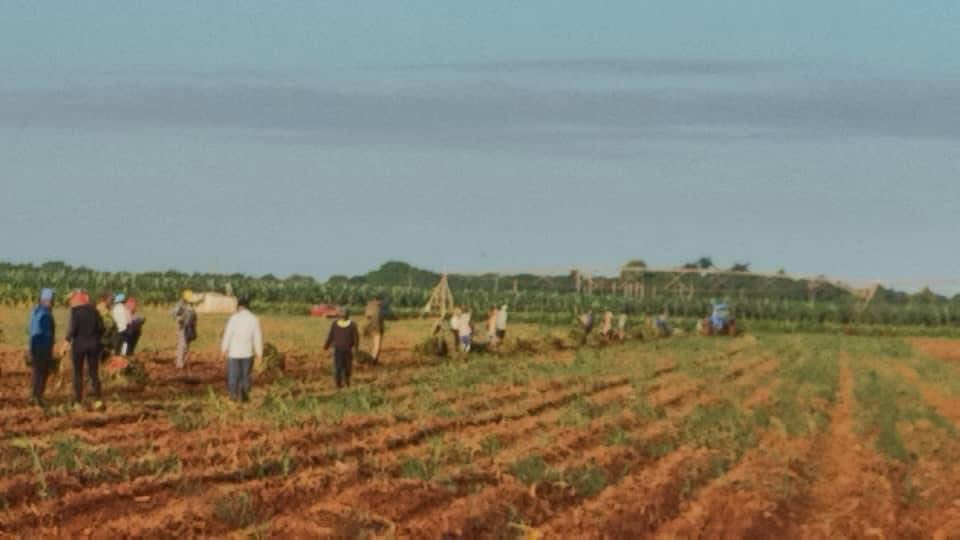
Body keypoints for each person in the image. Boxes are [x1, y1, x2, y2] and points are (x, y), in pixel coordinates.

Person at [64, 290, 105, 410]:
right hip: (93, 345)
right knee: (94, 373)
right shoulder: (94, 311)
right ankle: (97, 400)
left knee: (78, 373)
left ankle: (78, 402)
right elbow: (101, 328)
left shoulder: (75, 312)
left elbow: (72, 329)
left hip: (79, 346)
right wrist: (96, 338)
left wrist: (66, 343)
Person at [220, 296, 263, 402]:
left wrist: (224, 349)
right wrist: (259, 353)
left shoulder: (233, 318)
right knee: (245, 376)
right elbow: (257, 337)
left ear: (239, 306)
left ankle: (233, 396)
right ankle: (245, 397)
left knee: (233, 376)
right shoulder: (254, 319)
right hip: (247, 353)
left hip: (234, 353)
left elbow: (227, 335)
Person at [28, 288, 56, 406]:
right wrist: (50, 349)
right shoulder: (45, 314)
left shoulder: (35, 311)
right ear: (46, 300)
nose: (53, 302)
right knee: (42, 373)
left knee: (37, 372)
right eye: (52, 299)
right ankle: (38, 398)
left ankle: (35, 396)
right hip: (43, 347)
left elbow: (31, 330)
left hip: (35, 346)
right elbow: (46, 334)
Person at [324, 308, 360, 389]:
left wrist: (356, 348)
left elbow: (356, 338)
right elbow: (331, 335)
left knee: (346, 367)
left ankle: (346, 382)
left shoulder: (352, 325)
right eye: (342, 314)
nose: (343, 316)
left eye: (344, 314)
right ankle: (339, 384)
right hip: (339, 349)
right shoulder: (335, 324)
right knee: (339, 367)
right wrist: (326, 346)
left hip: (347, 349)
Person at [172, 290, 199, 369]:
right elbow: (173, 314)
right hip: (182, 327)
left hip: (190, 327)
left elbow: (194, 316)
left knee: (186, 345)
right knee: (182, 345)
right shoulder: (180, 305)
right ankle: (179, 363)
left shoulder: (190, 306)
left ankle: (181, 360)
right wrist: (179, 318)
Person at [96, 291, 118, 360]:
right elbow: (107, 323)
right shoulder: (100, 308)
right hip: (102, 339)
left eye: (113, 299)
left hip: (108, 338)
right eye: (112, 299)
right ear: (106, 299)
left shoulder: (108, 308)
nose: (113, 301)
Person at [363, 297, 385, 364]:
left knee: (369, 345)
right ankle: (373, 360)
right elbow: (377, 320)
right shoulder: (378, 309)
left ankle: (367, 359)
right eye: (381, 301)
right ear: (378, 300)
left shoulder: (368, 306)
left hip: (368, 329)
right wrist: (379, 330)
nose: (382, 302)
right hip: (376, 329)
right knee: (377, 346)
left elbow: (367, 316)